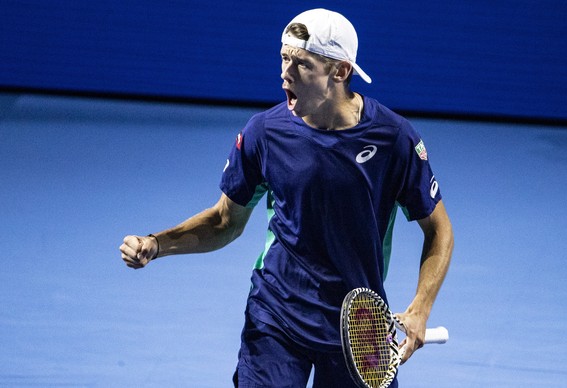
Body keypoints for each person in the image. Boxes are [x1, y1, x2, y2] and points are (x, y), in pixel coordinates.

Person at [120, 8, 453, 388]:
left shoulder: (394, 140)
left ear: (340, 72)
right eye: (284, 58)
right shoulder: (265, 132)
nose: (285, 73)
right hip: (276, 315)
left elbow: (439, 230)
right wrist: (156, 244)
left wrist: (419, 310)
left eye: (302, 64)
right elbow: (223, 221)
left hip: (358, 329)